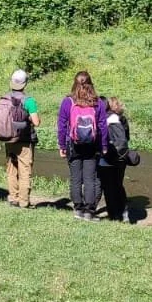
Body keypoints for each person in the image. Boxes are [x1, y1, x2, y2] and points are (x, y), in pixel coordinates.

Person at [57, 71, 104, 221]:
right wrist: (103, 146)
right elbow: (103, 127)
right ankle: (89, 212)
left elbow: (62, 125)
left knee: (75, 178)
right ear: (91, 83)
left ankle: (78, 209)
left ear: (74, 83)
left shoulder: (68, 101)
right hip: (92, 146)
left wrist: (62, 145)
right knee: (90, 178)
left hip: (73, 145)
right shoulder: (98, 102)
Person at [0, 70, 41, 209]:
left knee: (11, 169)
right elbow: (36, 122)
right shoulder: (29, 101)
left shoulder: (3, 98)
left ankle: (13, 198)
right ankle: (23, 202)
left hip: (9, 138)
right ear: (25, 84)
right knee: (25, 170)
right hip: (24, 140)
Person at [99, 96, 133, 223]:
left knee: (108, 186)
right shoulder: (122, 119)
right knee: (118, 184)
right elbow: (126, 138)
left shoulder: (104, 119)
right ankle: (124, 212)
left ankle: (113, 215)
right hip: (122, 156)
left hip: (107, 156)